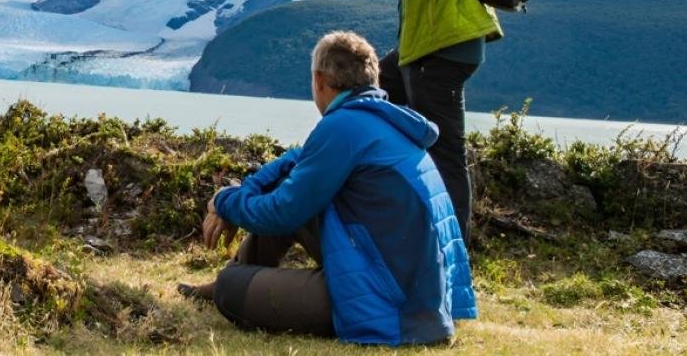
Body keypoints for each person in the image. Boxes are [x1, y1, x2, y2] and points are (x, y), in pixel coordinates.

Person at [178, 31, 475, 345]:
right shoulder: (377, 120)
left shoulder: (343, 126)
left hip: (390, 302)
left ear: (319, 80)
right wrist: (241, 192)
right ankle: (241, 269)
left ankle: (229, 280)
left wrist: (225, 201)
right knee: (293, 188)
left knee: (230, 288)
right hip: (413, 290)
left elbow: (281, 211)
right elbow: (298, 161)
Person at [357, 0, 502, 242]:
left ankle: (453, 249)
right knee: (369, 96)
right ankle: (395, 217)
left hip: (438, 49)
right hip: (435, 46)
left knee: (445, 152)